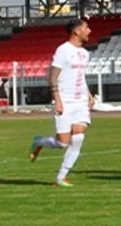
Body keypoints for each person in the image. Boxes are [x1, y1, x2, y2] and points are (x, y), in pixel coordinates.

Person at [29, 18, 95, 187]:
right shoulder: (63, 50)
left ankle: (61, 177)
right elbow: (52, 76)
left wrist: (88, 95)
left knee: (79, 137)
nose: (89, 31)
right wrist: (57, 100)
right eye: (86, 28)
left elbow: (81, 76)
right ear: (76, 31)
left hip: (80, 102)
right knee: (62, 142)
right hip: (65, 101)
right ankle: (39, 142)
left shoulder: (85, 53)